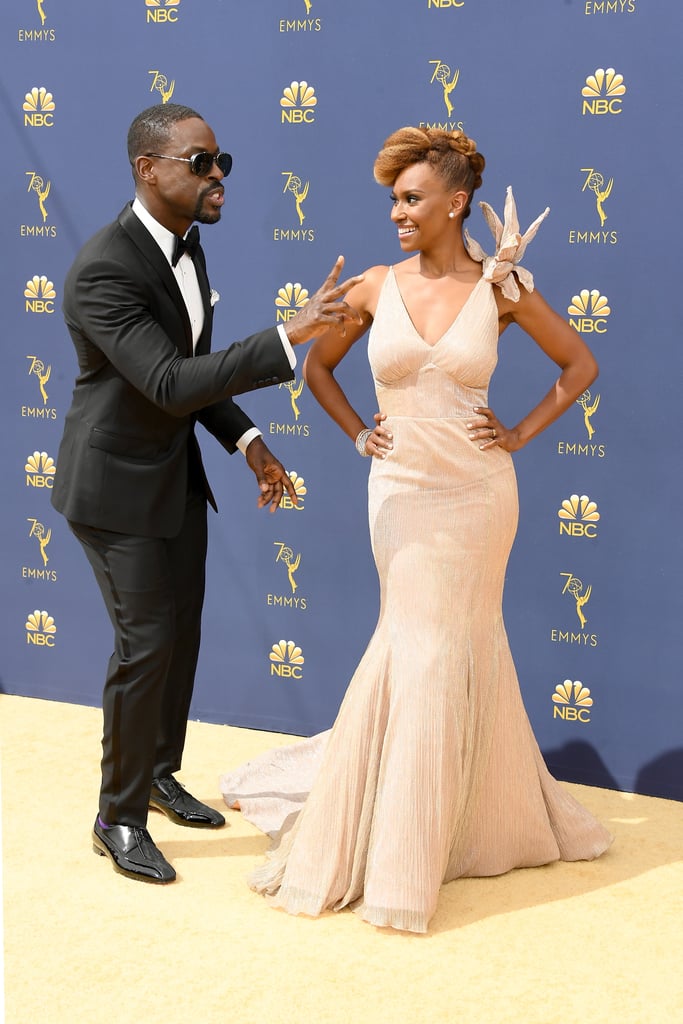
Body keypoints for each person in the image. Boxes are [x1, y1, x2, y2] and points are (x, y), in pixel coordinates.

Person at [219, 126, 612, 932]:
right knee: (417, 644)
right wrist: (361, 433)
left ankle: (433, 838)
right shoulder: (372, 285)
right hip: (398, 492)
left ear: (455, 203)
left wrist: (519, 433)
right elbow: (318, 368)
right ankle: (403, 832)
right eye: (392, 199)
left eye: (409, 198)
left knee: (459, 645)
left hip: (477, 494)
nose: (396, 212)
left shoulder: (501, 287)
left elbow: (579, 365)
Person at [51, 103, 362, 885]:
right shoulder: (103, 268)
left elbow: (191, 368)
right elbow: (163, 381)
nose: (217, 175)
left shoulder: (185, 250)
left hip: (171, 476)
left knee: (179, 636)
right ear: (147, 170)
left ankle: (158, 774)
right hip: (114, 490)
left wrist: (248, 441)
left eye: (222, 161)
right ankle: (115, 816)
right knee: (145, 645)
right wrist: (288, 337)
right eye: (200, 162)